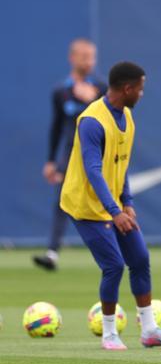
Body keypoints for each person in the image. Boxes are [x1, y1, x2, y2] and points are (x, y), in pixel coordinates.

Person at [60, 61, 161, 350]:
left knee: (139, 259)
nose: (142, 94)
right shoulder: (92, 121)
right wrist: (114, 212)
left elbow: (121, 165)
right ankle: (109, 334)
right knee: (114, 265)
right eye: (140, 89)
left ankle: (149, 330)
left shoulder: (127, 116)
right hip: (86, 206)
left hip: (114, 205)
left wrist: (126, 203)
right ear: (127, 88)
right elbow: (93, 170)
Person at [34, 38, 106, 271]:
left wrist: (92, 100)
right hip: (69, 157)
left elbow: (109, 120)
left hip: (97, 156)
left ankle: (112, 251)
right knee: (61, 202)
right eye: (84, 57)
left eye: (92, 57)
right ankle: (52, 253)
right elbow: (56, 127)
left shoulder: (102, 89)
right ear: (72, 58)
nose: (89, 62)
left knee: (105, 203)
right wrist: (50, 160)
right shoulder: (61, 91)